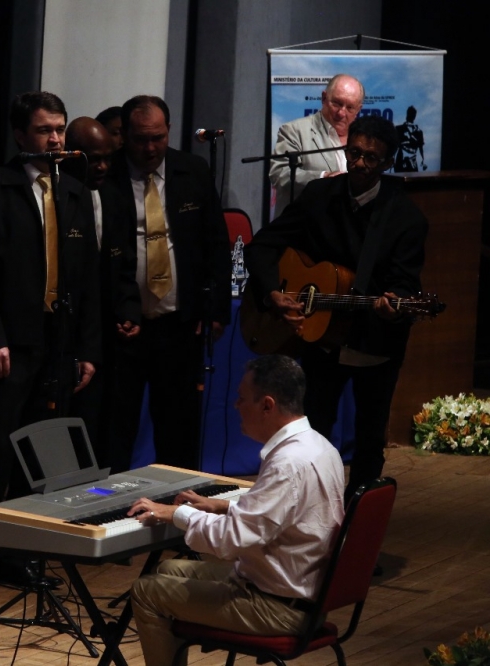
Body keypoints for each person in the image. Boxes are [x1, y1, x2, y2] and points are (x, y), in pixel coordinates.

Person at [0, 90, 101, 598]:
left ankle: (20, 555)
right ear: (21, 135)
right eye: (44, 130)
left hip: (57, 343)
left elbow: (88, 279)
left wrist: (86, 348)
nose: (56, 139)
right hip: (9, 345)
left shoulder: (75, 191)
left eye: (59, 129)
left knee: (39, 454)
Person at [245, 115, 428, 501]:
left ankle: (356, 526)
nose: (359, 164)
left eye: (371, 158)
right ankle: (308, 515)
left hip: (373, 343)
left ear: (388, 162)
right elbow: (263, 244)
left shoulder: (406, 218)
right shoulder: (319, 196)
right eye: (354, 153)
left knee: (369, 438)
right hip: (322, 340)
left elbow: (404, 285)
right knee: (313, 432)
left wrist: (393, 304)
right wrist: (272, 293)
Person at [128, 354, 345, 666]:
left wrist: (175, 514)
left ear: (267, 405)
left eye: (242, 398)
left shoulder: (288, 463)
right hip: (299, 590)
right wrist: (223, 505)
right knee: (166, 570)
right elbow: (285, 513)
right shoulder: (319, 446)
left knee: (146, 591)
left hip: (277, 606)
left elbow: (230, 543)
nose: (235, 405)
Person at [106, 95, 231, 474]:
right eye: (141, 139)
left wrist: (215, 309)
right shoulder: (106, 174)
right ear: (125, 135)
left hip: (180, 325)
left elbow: (216, 244)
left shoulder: (192, 170)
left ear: (169, 131)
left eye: (158, 138)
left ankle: (177, 503)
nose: (150, 148)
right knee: (115, 432)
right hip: (123, 329)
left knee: (179, 432)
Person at [61, 117, 140, 466]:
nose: (103, 166)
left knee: (108, 424)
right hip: (67, 329)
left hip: (109, 332)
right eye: (94, 159)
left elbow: (126, 266)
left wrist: (129, 311)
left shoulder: (114, 197)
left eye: (107, 158)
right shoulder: (57, 199)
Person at [269, 74, 365, 216]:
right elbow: (279, 174)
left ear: (358, 109)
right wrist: (323, 177)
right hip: (306, 223)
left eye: (350, 107)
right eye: (337, 103)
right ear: (324, 98)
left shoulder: (363, 138)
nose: (341, 113)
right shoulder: (294, 131)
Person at [394, 105, 426, 172]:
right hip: (401, 159)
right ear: (407, 114)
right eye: (410, 113)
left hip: (412, 159)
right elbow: (395, 146)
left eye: (413, 114)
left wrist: (423, 160)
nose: (412, 116)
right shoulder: (399, 129)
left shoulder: (419, 132)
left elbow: (420, 147)